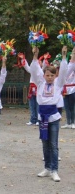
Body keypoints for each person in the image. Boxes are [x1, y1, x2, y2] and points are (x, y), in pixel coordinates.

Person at [30, 46, 68, 182]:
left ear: (55, 76)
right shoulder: (40, 83)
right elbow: (35, 71)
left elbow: (64, 72)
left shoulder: (58, 84)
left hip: (53, 117)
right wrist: (35, 56)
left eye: (52, 75)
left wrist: (64, 57)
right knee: (44, 143)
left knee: (53, 144)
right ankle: (47, 168)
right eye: (47, 75)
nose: (50, 77)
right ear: (44, 75)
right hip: (42, 117)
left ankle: (54, 169)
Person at [61, 50, 75, 129]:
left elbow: (72, 65)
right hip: (65, 89)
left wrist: (73, 53)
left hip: (72, 89)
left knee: (72, 107)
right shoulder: (64, 70)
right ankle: (68, 122)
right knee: (66, 107)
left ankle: (73, 122)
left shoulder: (73, 68)